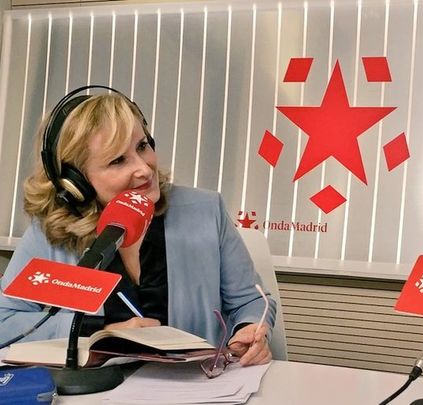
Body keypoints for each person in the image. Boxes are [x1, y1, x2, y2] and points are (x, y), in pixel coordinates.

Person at [0, 89, 276, 366]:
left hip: (198, 382)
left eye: (142, 146)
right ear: (76, 182)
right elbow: (5, 320)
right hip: (96, 387)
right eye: (118, 160)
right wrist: (99, 332)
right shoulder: (51, 232)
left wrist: (248, 330)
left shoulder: (205, 211)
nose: (144, 168)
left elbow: (250, 302)